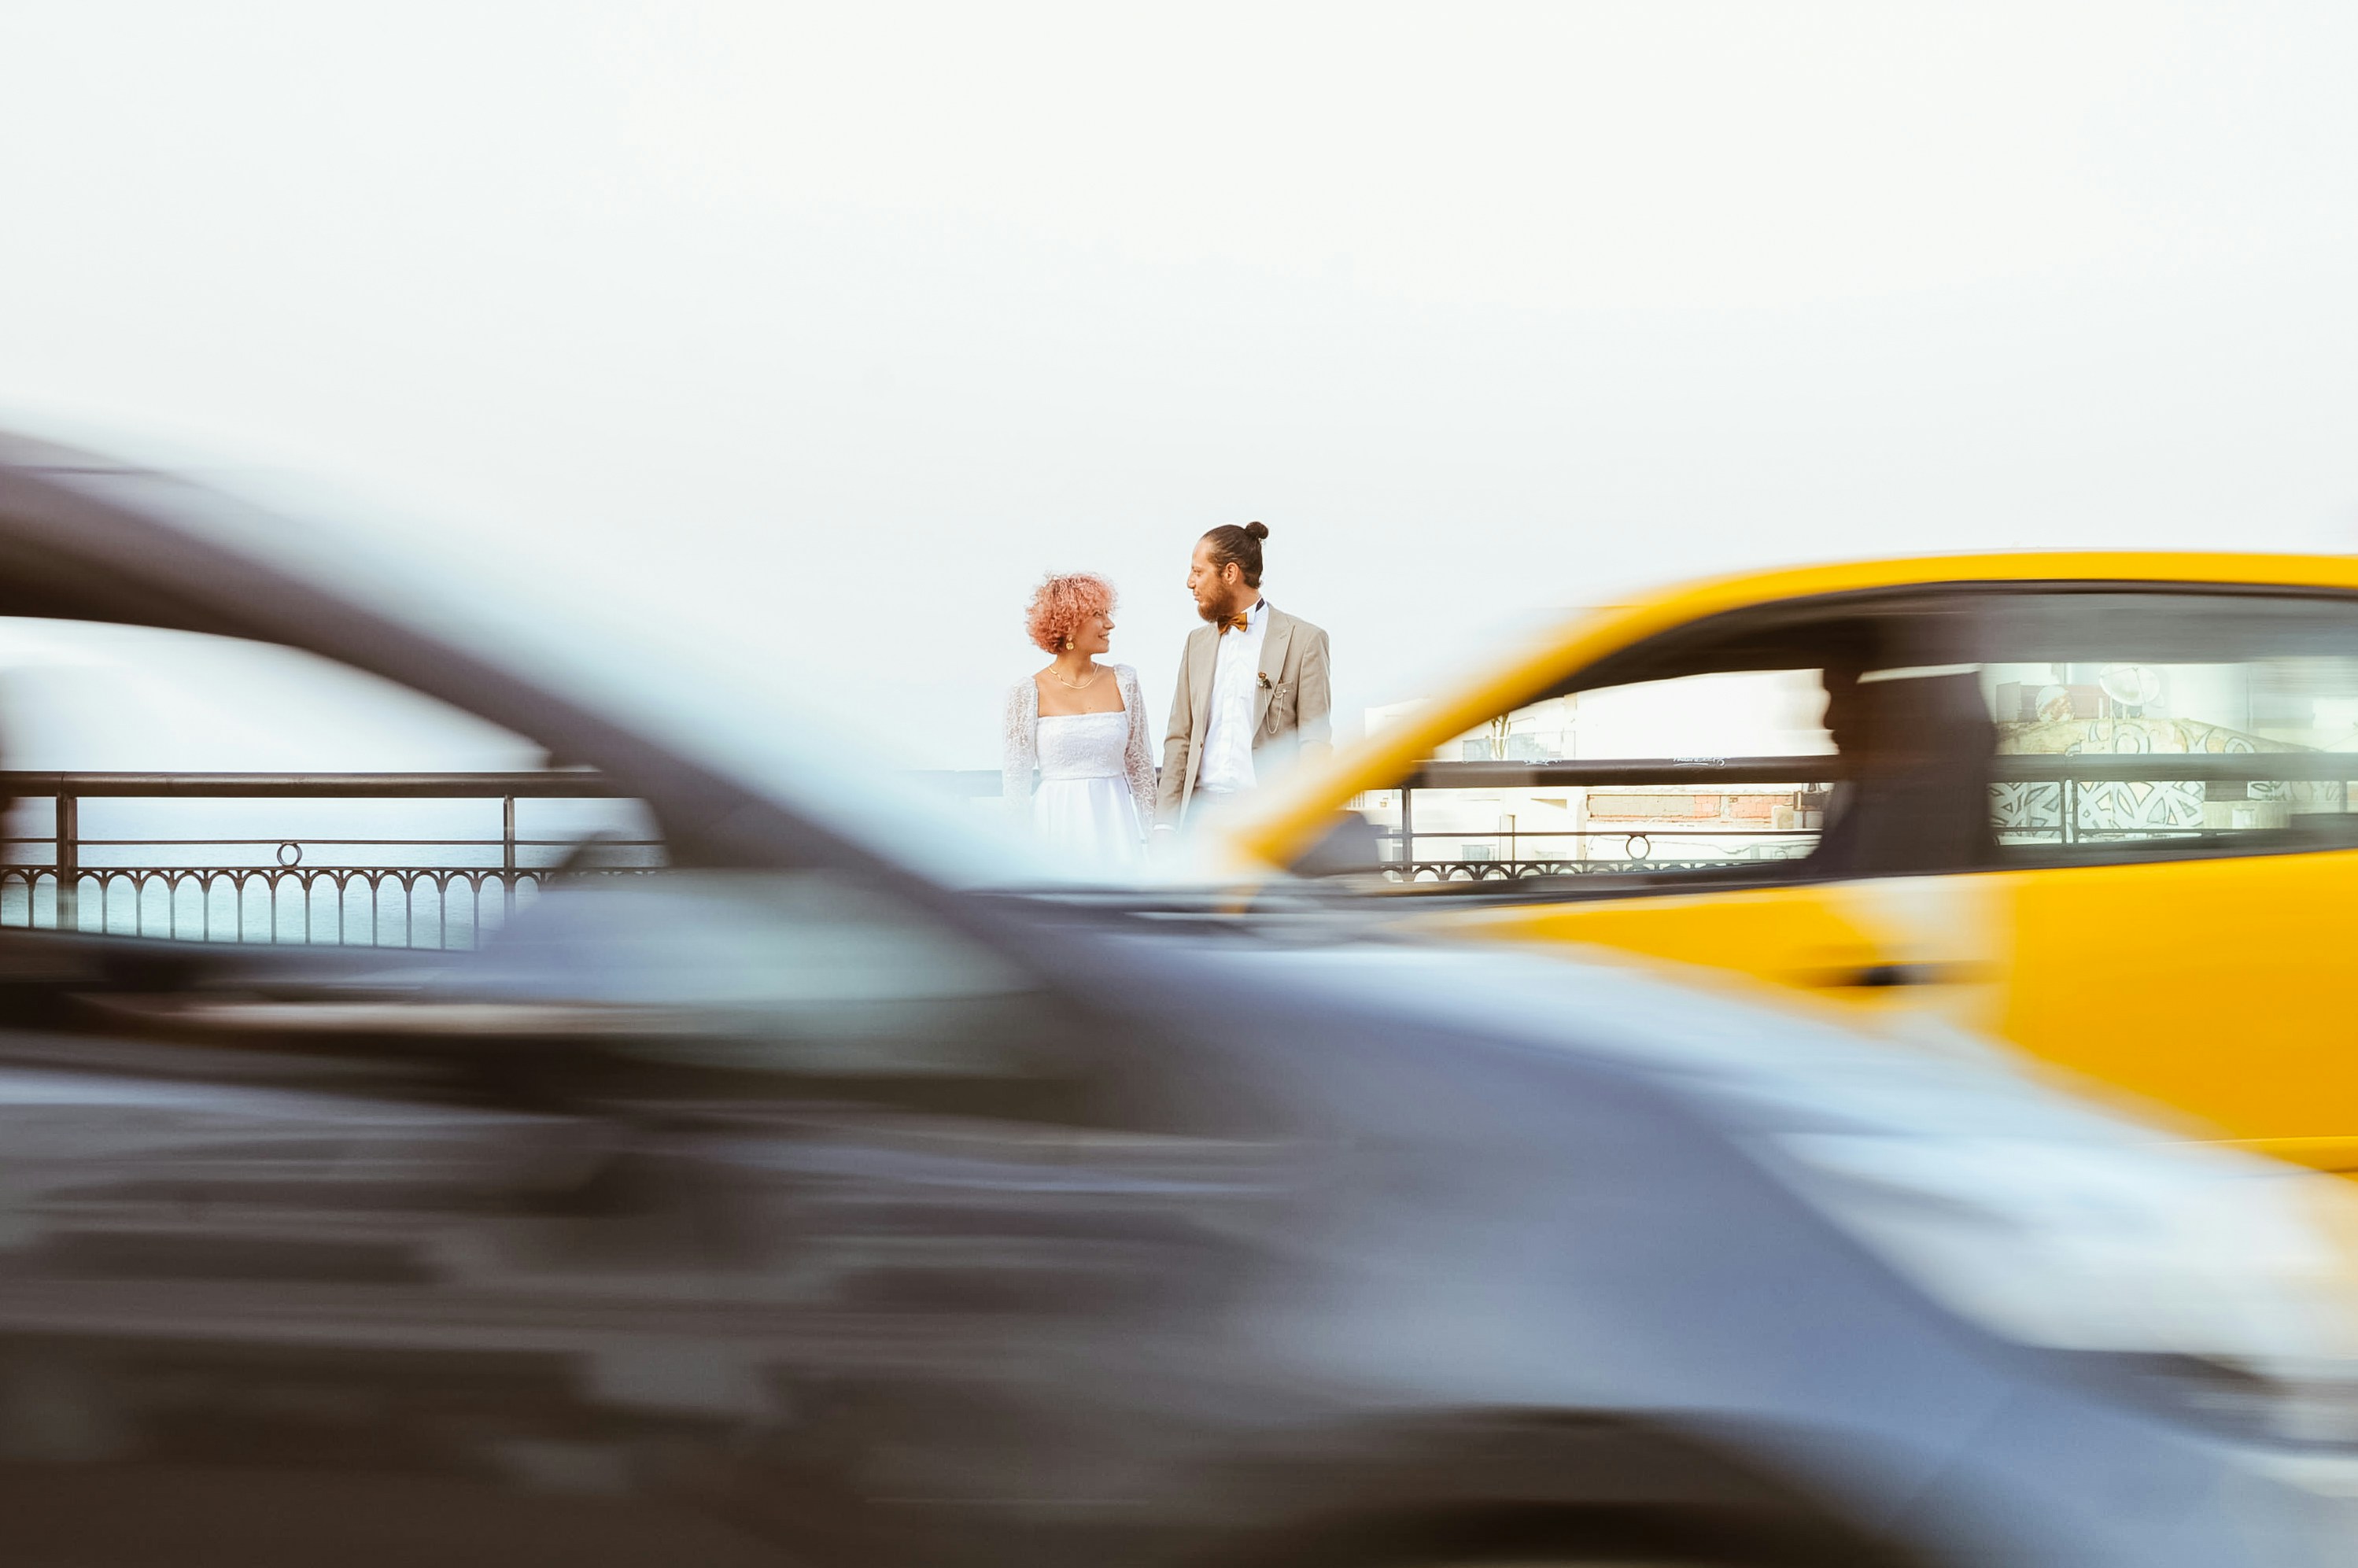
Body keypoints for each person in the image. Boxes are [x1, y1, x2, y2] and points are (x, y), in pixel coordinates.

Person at [1156, 521, 1331, 830]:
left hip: (1270, 820)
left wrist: (1305, 827)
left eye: (1198, 572)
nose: (1189, 582)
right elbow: (1179, 739)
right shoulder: (1195, 644)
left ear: (1230, 573)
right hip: (1199, 820)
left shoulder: (1304, 640)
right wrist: (1165, 826)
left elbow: (1315, 742)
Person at [1002, 572, 1154, 869]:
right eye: (1098, 615)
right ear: (1068, 624)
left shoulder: (1125, 681)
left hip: (1116, 825)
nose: (1109, 624)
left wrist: (1158, 839)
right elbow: (1016, 790)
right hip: (1056, 828)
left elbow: (1141, 767)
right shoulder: (1025, 693)